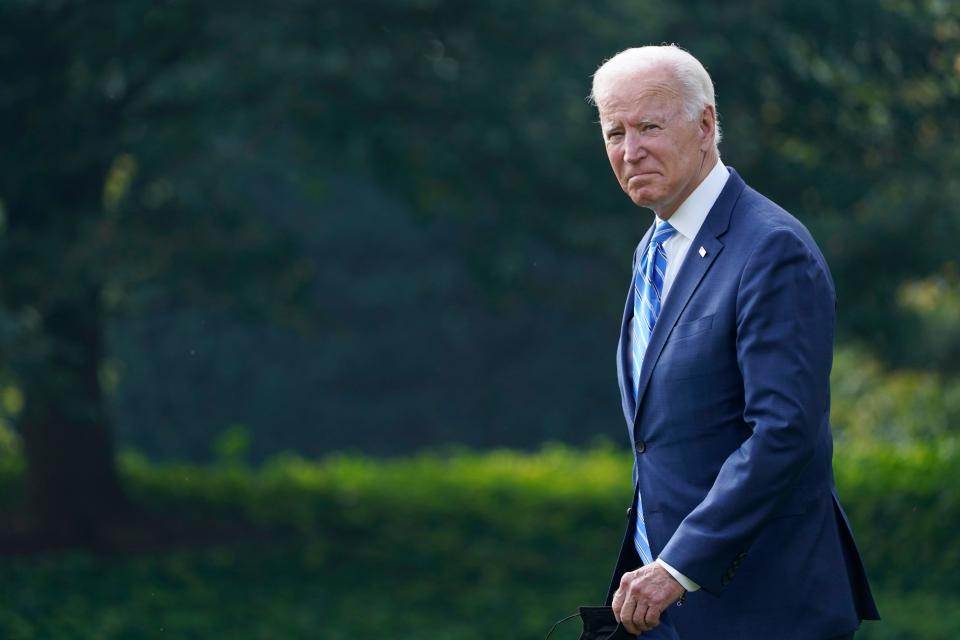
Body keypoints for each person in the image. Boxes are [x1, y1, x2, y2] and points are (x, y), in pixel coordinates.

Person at [590, 45, 880, 639]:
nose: (630, 150)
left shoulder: (772, 248)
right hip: (668, 608)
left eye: (648, 126)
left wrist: (678, 564)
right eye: (614, 131)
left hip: (763, 610)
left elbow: (784, 431)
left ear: (705, 125)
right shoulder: (654, 250)